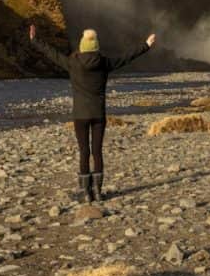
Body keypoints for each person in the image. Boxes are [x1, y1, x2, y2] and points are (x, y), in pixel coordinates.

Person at [29, 24, 156, 203]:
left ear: (82, 46)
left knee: (84, 151)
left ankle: (85, 193)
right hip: (98, 114)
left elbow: (52, 54)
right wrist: (146, 45)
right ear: (96, 47)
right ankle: (97, 192)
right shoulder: (104, 63)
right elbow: (126, 58)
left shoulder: (73, 63)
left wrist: (35, 41)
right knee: (97, 151)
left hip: (80, 115)